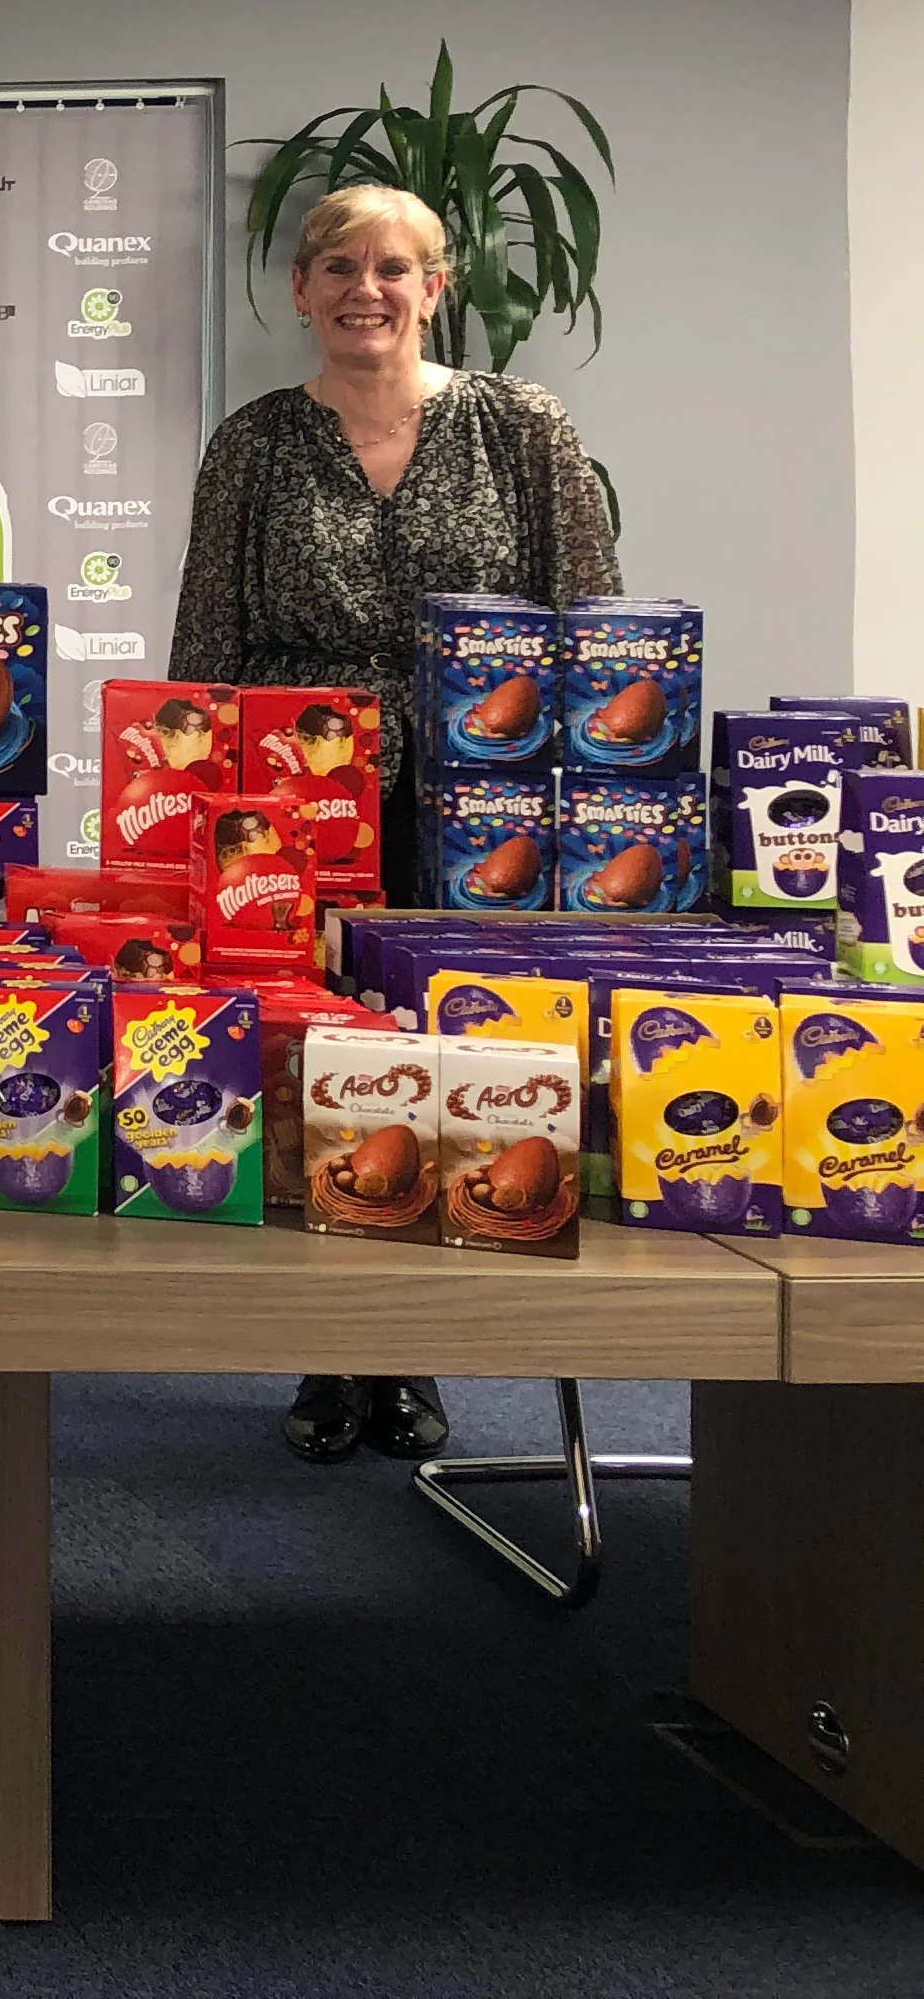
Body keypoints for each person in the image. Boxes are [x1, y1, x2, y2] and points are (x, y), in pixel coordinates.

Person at [171, 183, 618, 1467]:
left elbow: (591, 624)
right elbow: (206, 653)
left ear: (437, 286)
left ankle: (418, 1348)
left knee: (451, 1054)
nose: (364, 288)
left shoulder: (521, 426)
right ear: (302, 292)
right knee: (329, 1068)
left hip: (486, 808)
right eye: (336, 266)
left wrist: (589, 817)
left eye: (393, 266)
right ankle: (334, 1347)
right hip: (301, 811)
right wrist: (205, 826)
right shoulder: (252, 444)